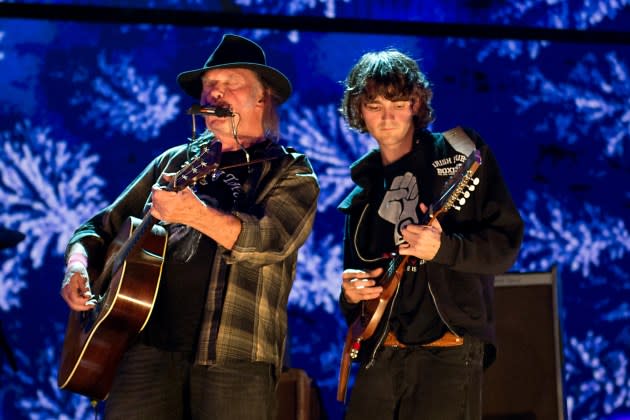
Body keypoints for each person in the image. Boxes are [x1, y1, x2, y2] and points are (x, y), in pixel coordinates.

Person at [60, 34, 319, 419]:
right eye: (210, 86)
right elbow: (98, 228)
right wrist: (77, 267)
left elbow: (270, 242)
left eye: (231, 84)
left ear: (263, 98)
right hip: (141, 346)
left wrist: (193, 213)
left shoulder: (291, 172)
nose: (216, 94)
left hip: (235, 356)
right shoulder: (174, 160)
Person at [337, 49, 524, 419]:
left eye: (398, 102)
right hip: (381, 354)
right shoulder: (361, 195)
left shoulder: (457, 153)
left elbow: (505, 246)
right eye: (374, 105)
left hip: (449, 349)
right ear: (358, 110)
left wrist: (443, 248)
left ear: (417, 103)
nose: (387, 116)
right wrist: (351, 292)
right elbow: (358, 304)